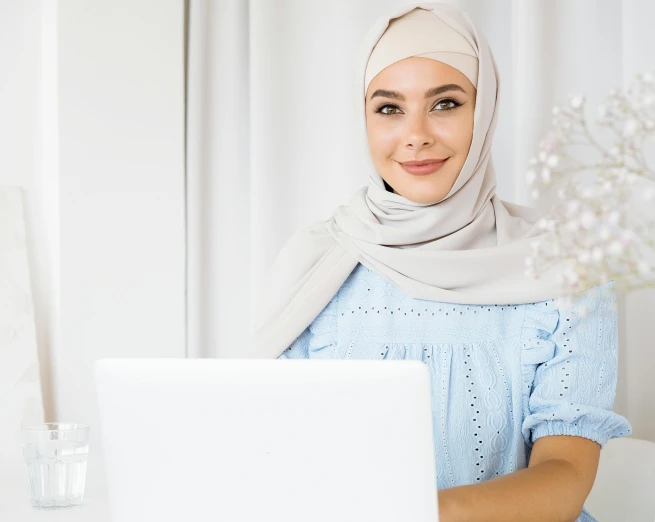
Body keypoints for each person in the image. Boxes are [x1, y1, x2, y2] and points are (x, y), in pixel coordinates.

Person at [249, 4, 632, 522]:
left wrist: (407, 513)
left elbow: (564, 477)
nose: (416, 134)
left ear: (486, 109)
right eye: (389, 108)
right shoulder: (319, 259)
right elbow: (271, 451)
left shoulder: (564, 264)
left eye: (446, 103)